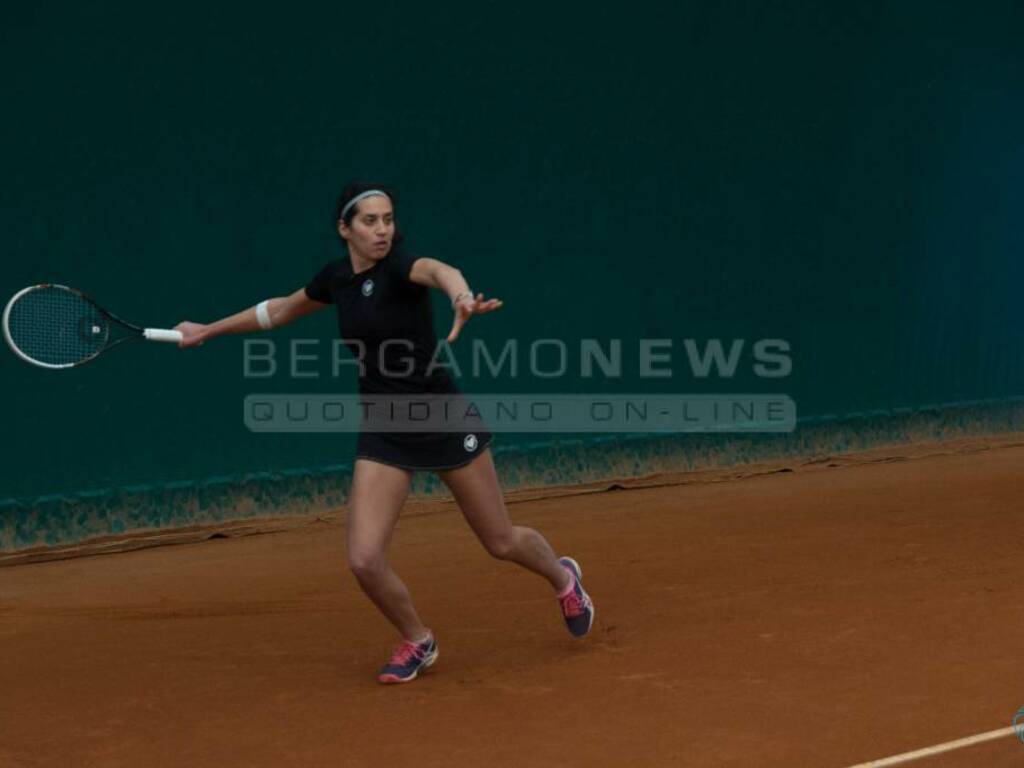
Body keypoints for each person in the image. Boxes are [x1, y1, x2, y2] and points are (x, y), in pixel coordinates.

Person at [174, 183, 594, 684]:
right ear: (344, 229)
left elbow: (439, 270)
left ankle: (564, 579)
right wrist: (208, 329)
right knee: (364, 558)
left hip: (441, 417)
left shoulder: (400, 266)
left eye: (388, 219)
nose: (382, 230)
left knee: (500, 541)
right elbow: (281, 310)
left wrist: (460, 295)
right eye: (370, 221)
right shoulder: (336, 279)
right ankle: (418, 639)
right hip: (385, 426)